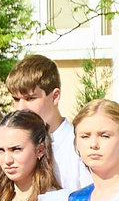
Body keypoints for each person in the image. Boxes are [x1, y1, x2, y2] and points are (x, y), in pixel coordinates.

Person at [5, 54, 81, 184]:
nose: (21, 108)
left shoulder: (78, 148)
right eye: (16, 99)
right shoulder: (10, 148)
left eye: (30, 98)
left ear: (55, 96)